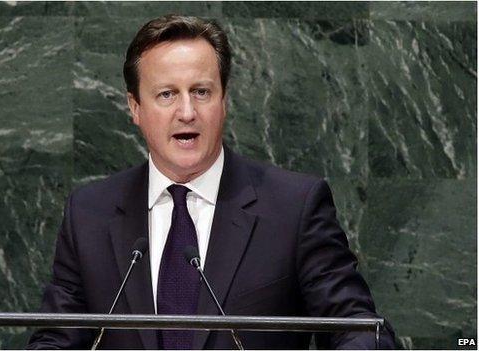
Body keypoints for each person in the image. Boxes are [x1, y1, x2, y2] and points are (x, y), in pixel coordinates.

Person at [27, 14, 395, 350]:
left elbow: (357, 327)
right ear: (135, 107)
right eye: (167, 94)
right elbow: (57, 339)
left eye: (201, 92)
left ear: (224, 101)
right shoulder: (89, 213)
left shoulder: (293, 206)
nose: (187, 112)